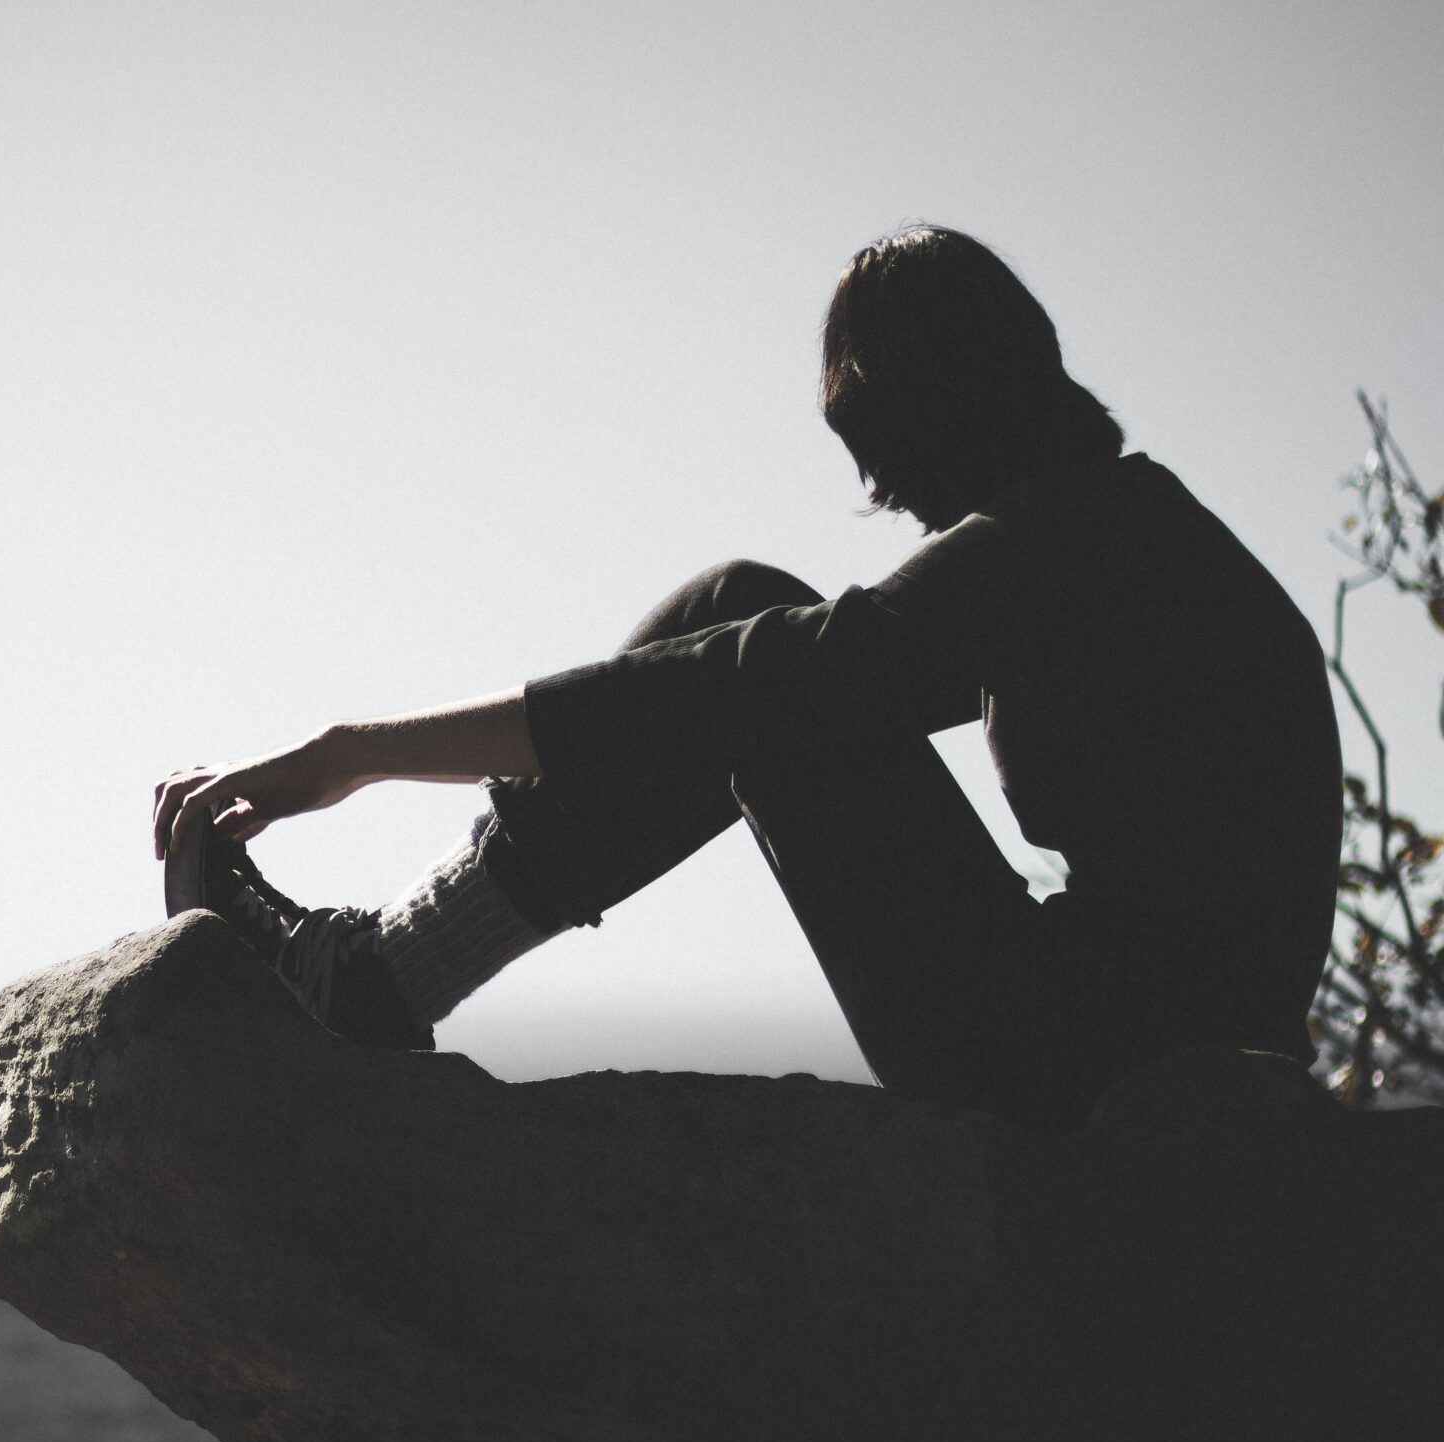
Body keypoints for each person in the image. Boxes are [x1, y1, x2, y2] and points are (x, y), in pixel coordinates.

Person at [152, 226, 1340, 1133]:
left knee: (744, 627)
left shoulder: (1067, 545)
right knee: (767, 660)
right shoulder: (1134, 536)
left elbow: (742, 683)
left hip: (1098, 1071)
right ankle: (380, 973)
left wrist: (355, 753)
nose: (896, 506)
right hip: (1147, 1047)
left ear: (949, 403)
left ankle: (377, 977)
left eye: (889, 461)